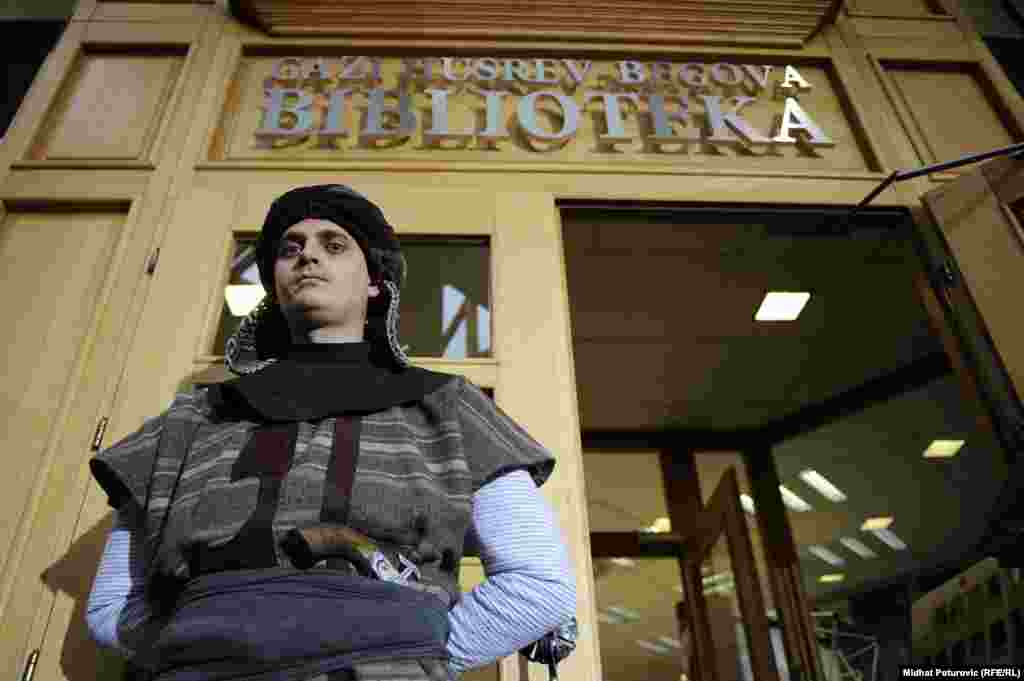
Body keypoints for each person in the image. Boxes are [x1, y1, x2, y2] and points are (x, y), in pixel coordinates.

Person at [85, 184, 577, 681]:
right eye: (289, 248)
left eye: (334, 245)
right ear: (274, 282)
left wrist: (415, 658)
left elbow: (538, 584)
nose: (307, 257)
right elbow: (111, 605)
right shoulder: (190, 419)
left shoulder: (450, 409)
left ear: (374, 282)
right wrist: (193, 653)